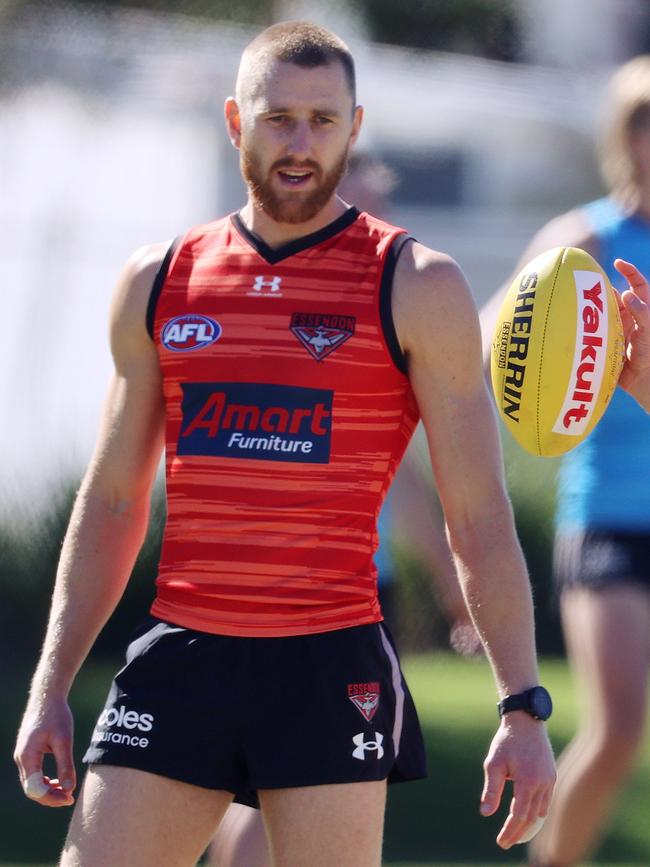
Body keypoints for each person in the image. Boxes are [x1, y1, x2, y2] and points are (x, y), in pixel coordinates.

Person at [14, 21, 556, 866]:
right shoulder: (159, 279)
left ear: (356, 125)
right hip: (182, 655)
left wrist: (521, 706)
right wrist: (51, 683)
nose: (301, 145)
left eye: (324, 120)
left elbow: (479, 514)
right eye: (278, 120)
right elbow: (114, 498)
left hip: (328, 663)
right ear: (236, 122)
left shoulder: (416, 285)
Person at [480, 56, 650, 867]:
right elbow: (485, 335)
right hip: (607, 517)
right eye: (645, 122)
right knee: (618, 728)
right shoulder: (583, 241)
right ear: (625, 138)